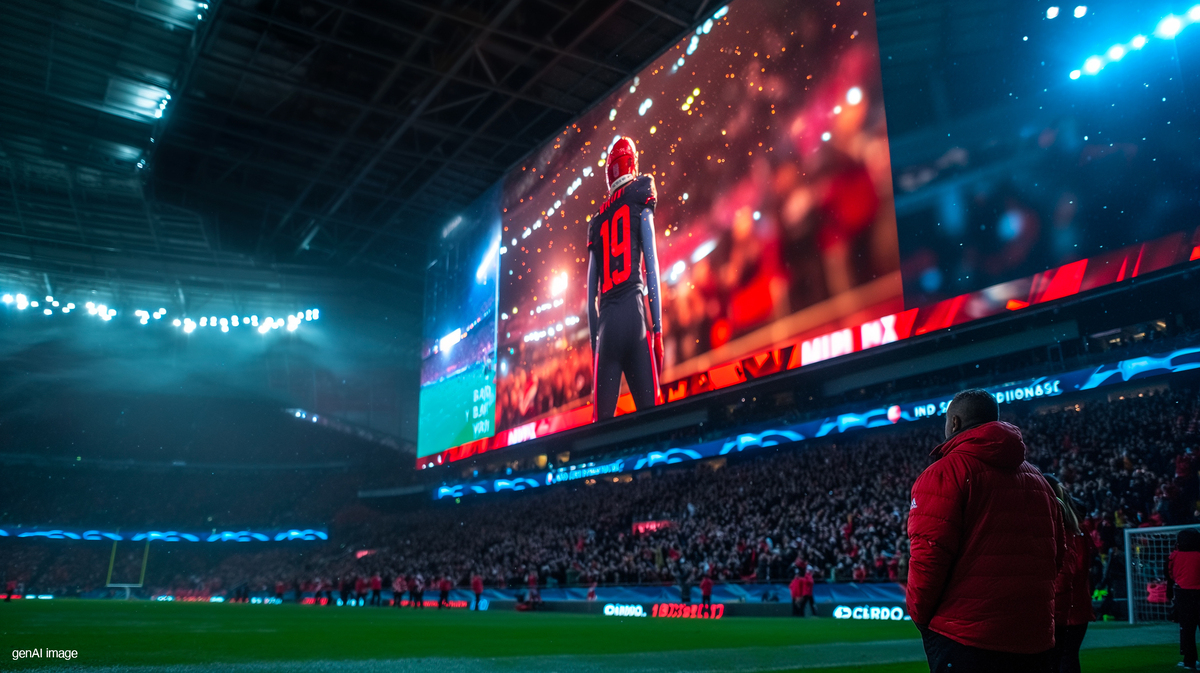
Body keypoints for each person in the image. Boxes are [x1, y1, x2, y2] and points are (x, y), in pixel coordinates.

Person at [907, 389, 1065, 672]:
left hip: (966, 636)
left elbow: (929, 555)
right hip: (1033, 634)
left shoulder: (944, 473)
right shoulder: (1039, 480)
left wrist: (919, 615)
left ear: (954, 422)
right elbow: (1057, 553)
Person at [587, 136, 664, 421]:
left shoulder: (597, 220)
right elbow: (651, 268)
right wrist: (658, 329)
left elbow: (590, 299)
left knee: (600, 431)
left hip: (607, 329)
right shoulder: (640, 192)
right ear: (632, 163)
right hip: (634, 316)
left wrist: (595, 348)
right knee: (653, 422)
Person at [1045, 474, 1093, 673]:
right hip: (1074, 606)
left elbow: (1070, 574)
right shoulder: (1077, 531)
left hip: (1063, 609)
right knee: (1066, 657)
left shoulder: (1064, 532)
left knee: (1062, 658)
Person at [1169, 528, 1200, 670]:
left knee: (1187, 629)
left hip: (1184, 594)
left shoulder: (1175, 556)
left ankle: (1190, 661)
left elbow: (1171, 574)